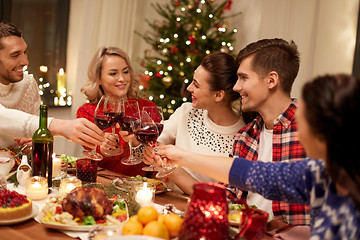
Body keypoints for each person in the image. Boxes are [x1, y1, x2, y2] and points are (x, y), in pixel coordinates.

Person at [155, 74, 360, 239]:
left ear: (323, 133)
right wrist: (179, 157)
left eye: (303, 117)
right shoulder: (317, 173)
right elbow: (251, 173)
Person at [143, 52, 246, 195]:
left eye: (196, 85)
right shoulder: (187, 111)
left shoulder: (243, 136)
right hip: (170, 204)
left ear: (218, 95)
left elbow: (223, 197)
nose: (189, 88)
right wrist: (147, 149)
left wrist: (171, 168)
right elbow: (154, 140)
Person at [0, 21, 104, 150]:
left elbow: (34, 133)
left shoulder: (28, 83)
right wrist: (57, 126)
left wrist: (34, 141)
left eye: (25, 52)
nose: (25, 61)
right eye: (15, 55)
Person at [77, 47, 156, 176]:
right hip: (102, 183)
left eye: (125, 72)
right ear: (99, 79)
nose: (122, 79)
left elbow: (155, 153)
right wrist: (103, 148)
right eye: (113, 73)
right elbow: (91, 149)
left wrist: (137, 143)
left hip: (139, 187)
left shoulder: (147, 108)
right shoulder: (87, 112)